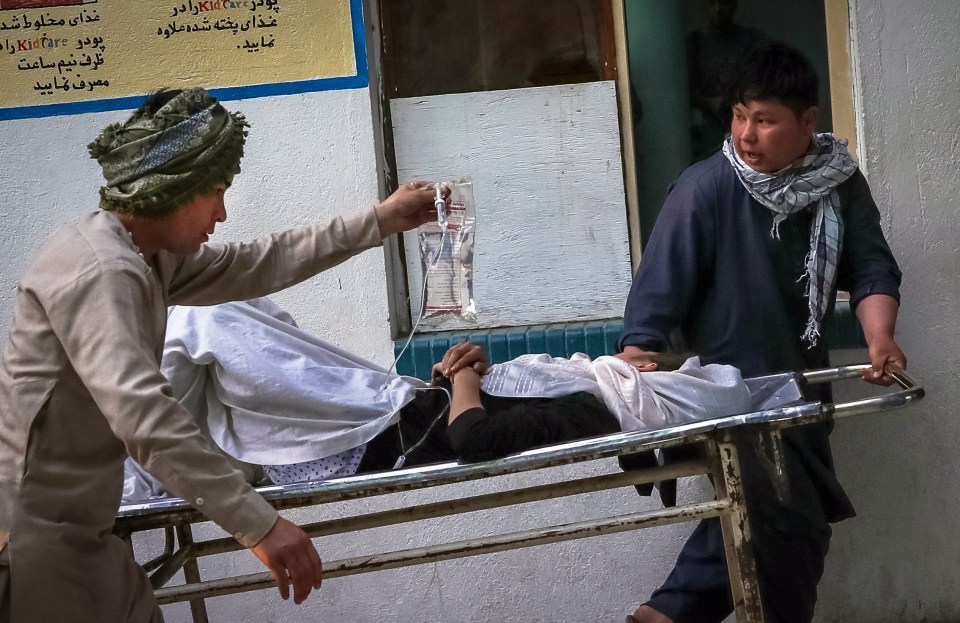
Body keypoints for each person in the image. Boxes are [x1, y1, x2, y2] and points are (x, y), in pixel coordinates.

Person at [0, 87, 443, 623]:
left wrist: (380, 221)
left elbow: (259, 261)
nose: (222, 212)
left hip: (83, 532)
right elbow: (146, 418)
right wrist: (258, 523)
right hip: (30, 538)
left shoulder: (147, 258)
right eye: (215, 192)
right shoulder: (103, 272)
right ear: (172, 187)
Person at [620, 42, 905, 623]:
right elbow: (652, 301)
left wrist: (881, 340)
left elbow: (872, 267)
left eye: (766, 120)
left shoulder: (839, 185)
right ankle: (668, 612)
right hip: (726, 394)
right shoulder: (704, 190)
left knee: (773, 520)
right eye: (739, 115)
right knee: (787, 520)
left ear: (807, 123)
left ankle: (667, 615)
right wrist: (638, 368)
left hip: (802, 390)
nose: (747, 134)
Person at [121, 297, 756, 500]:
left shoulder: (596, 405)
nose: (626, 353)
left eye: (641, 359)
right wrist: (471, 367)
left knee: (204, 321)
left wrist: (467, 378)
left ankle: (130, 457)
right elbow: (473, 400)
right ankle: (132, 455)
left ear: (648, 374)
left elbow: (473, 438)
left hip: (374, 432)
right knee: (242, 312)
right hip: (387, 406)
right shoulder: (575, 376)